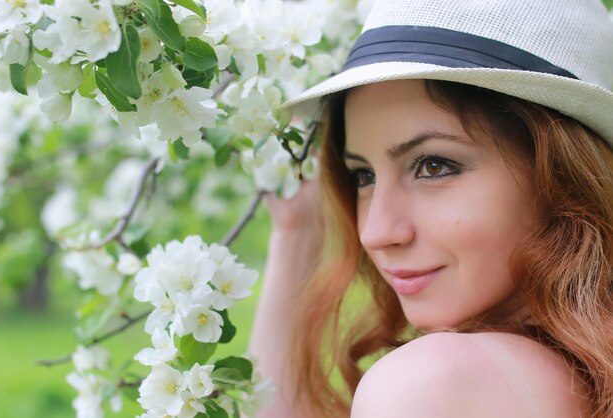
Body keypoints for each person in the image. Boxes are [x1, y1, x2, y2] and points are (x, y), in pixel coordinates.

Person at [249, 0, 613, 417]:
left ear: (559, 175)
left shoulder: (431, 382)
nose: (375, 232)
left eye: (434, 165)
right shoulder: (579, 378)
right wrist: (296, 234)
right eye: (363, 176)